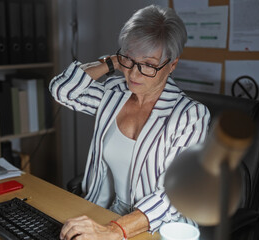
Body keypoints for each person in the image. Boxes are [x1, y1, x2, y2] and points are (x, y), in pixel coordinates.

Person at [49, 5, 210, 240]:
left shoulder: (190, 116)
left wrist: (115, 231)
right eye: (129, 60)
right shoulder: (115, 93)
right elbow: (62, 90)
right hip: (109, 213)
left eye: (149, 64)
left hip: (162, 227)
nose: (134, 75)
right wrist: (113, 62)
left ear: (172, 65)